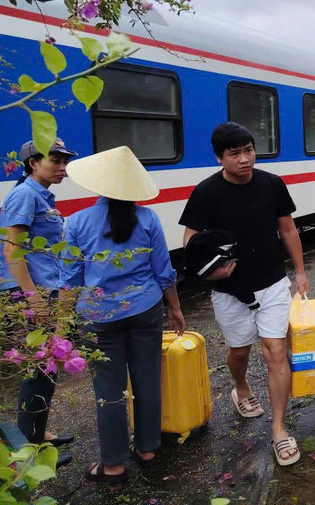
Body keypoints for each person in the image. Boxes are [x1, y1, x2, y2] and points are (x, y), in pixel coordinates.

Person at [179, 122, 308, 467]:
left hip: (272, 281)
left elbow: (287, 228)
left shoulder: (272, 184)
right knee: (239, 351)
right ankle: (241, 387)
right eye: (235, 153)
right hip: (229, 289)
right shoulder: (206, 192)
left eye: (248, 150)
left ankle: (279, 429)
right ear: (220, 157)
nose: (244, 159)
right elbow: (191, 238)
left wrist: (300, 271)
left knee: (275, 349)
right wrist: (208, 270)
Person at [59, 146, 185, 483]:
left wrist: (60, 325)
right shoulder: (148, 219)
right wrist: (174, 308)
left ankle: (112, 465)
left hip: (98, 316)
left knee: (108, 391)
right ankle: (146, 448)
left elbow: (70, 281)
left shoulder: (77, 222)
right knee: (147, 380)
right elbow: (164, 272)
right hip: (145, 310)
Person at [1, 139, 78, 461]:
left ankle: (38, 431)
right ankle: (29, 449)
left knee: (47, 366)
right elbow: (11, 250)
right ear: (33, 163)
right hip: (31, 293)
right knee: (37, 369)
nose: (62, 167)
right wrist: (33, 299)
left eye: (65, 160)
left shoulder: (41, 196)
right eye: (55, 160)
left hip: (44, 291)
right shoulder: (25, 195)